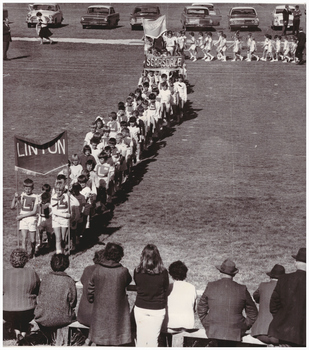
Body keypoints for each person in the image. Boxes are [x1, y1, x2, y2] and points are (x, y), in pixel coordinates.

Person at [197, 258, 258, 347]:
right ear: (234, 274)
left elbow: (201, 308)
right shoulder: (242, 289)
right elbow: (253, 313)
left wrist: (208, 324)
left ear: (221, 272)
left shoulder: (211, 286)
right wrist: (243, 326)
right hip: (235, 332)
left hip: (214, 330)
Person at [87, 243, 132, 346]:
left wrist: (92, 299)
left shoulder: (98, 270)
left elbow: (90, 287)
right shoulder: (122, 271)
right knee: (116, 337)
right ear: (120, 256)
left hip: (100, 310)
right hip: (118, 311)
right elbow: (128, 280)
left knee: (101, 339)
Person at [34, 254, 77, 345]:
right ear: (66, 265)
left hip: (42, 316)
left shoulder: (45, 278)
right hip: (63, 318)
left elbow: (40, 295)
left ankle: (48, 338)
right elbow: (73, 302)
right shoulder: (69, 281)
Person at [268, 248, 306, 347]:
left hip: (282, 332)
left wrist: (282, 319)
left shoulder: (283, 279)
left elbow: (273, 305)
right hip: (303, 336)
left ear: (295, 262)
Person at [134, 244, 169, 347]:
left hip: (141, 307)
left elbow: (137, 284)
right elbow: (165, 288)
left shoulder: (137, 271)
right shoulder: (163, 272)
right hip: (157, 309)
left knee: (141, 338)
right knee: (153, 339)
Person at [3, 249, 40, 342]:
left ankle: (17, 332)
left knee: (15, 312)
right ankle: (22, 334)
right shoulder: (31, 272)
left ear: (11, 260)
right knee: (22, 313)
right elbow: (37, 289)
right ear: (25, 260)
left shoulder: (4, 273)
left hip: (7, 311)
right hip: (28, 310)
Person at [251, 264, 285, 345]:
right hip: (278, 333)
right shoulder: (285, 288)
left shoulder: (262, 286)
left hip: (260, 331)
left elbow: (255, 297)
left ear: (270, 276)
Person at [162, 260, 197, 331]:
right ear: (185, 274)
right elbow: (194, 308)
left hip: (170, 324)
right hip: (188, 325)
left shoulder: (168, 287)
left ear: (171, 275)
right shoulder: (192, 287)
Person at [11, 178, 39, 259]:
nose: (27, 190)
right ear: (24, 188)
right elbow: (12, 207)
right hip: (23, 220)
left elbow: (34, 212)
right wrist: (15, 197)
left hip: (31, 219)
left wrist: (21, 216)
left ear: (32, 188)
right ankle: (24, 255)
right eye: (26, 188)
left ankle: (32, 253)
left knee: (33, 239)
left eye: (29, 188)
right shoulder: (22, 195)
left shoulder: (35, 197)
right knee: (24, 238)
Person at [51, 182, 70, 254]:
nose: (58, 192)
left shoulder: (66, 196)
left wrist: (70, 196)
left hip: (64, 221)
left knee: (63, 238)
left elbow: (76, 203)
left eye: (60, 190)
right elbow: (54, 211)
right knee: (58, 238)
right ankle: (58, 253)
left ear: (63, 190)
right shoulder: (53, 197)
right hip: (56, 219)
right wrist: (65, 215)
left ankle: (62, 251)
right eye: (57, 190)